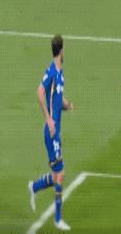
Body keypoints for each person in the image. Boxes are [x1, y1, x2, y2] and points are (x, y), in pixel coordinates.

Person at [28, 35, 73, 231]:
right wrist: (48, 118)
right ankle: (58, 218)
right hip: (51, 131)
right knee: (60, 174)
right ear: (61, 51)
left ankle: (34, 187)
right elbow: (39, 92)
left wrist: (67, 105)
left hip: (57, 130)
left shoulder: (60, 73)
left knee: (56, 177)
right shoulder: (52, 71)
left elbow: (57, 99)